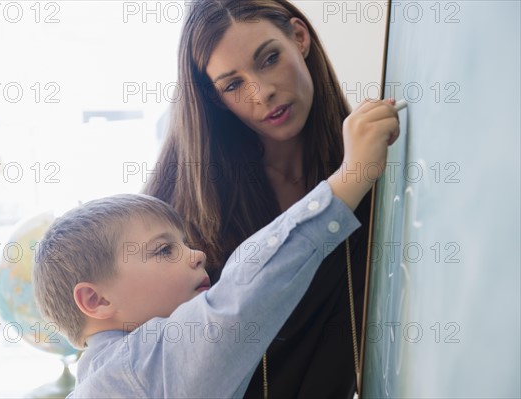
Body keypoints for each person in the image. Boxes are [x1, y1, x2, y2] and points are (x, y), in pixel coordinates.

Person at [33, 106, 399, 397]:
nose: (197, 255)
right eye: (163, 250)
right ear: (95, 300)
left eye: (185, 244)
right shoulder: (135, 367)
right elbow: (239, 301)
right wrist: (350, 178)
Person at [143, 0, 396, 396]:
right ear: (215, 100)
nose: (262, 93)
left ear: (300, 36)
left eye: (269, 59)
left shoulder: (370, 170)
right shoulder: (178, 213)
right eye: (232, 85)